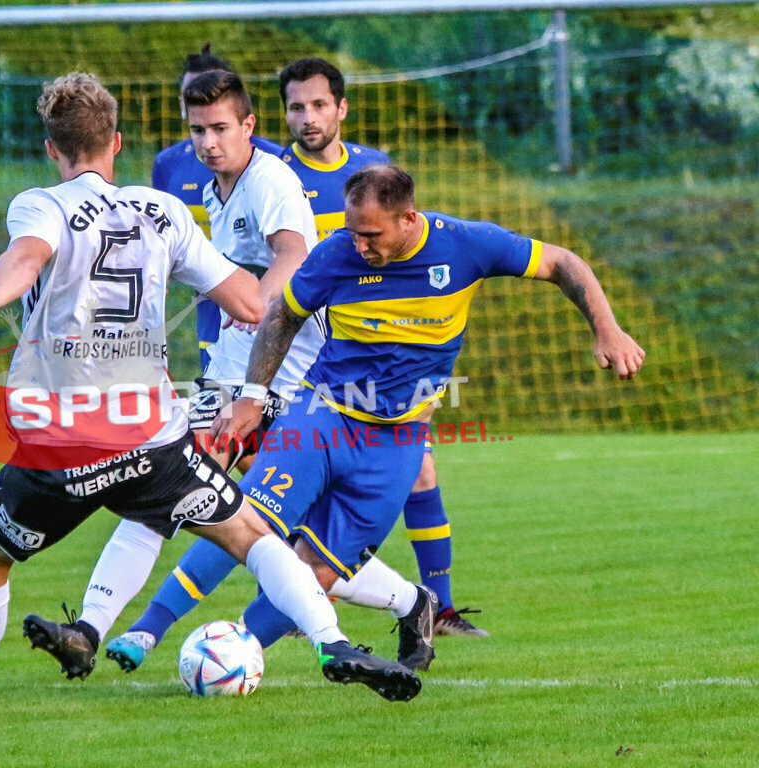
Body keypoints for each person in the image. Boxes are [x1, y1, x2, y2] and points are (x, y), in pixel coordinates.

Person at [0, 73, 422, 718]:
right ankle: (330, 643)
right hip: (152, 434)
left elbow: (25, 256)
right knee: (251, 534)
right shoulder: (163, 212)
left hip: (65, 441)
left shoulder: (39, 204)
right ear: (117, 144)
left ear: (53, 150)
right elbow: (250, 301)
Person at [204, 163, 645, 650]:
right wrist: (253, 396)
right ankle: (160, 633)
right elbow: (283, 315)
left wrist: (608, 329)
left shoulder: (466, 244)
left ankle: (240, 650)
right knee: (247, 520)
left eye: (370, 234)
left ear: (408, 219)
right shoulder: (338, 253)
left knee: (323, 566)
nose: (359, 245)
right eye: (353, 232)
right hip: (325, 411)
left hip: (398, 436)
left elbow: (562, 262)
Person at [278, 57, 483, 636]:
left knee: (418, 468)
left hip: (368, 351)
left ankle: (435, 607)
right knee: (268, 486)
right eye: (297, 106)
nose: (308, 117)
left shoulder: (373, 170)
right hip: (296, 341)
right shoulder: (271, 171)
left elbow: (405, 251)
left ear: (341, 107)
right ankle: (305, 593)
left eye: (319, 105)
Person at [152, 45, 282, 370]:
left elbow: (294, 251)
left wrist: (260, 298)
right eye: (190, 95)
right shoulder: (168, 164)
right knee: (219, 398)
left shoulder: (272, 164)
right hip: (208, 302)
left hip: (264, 298)